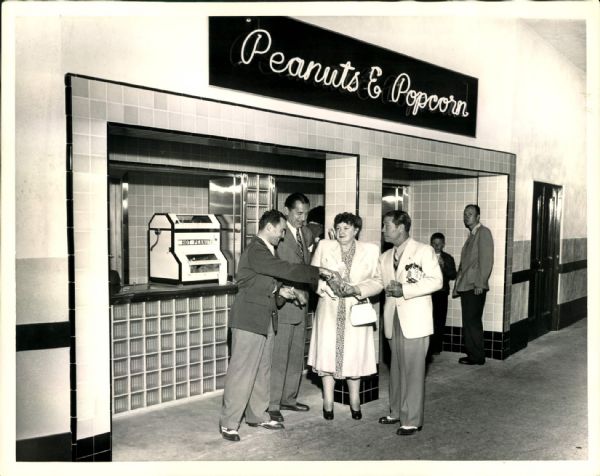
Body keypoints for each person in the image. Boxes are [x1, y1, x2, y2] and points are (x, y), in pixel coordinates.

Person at [219, 210, 338, 442]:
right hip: (248, 320)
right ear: (270, 227)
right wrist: (319, 271)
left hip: (265, 319)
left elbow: (259, 281)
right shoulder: (257, 249)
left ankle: (257, 415)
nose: (283, 236)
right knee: (241, 372)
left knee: (262, 371)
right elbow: (284, 269)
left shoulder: (265, 250)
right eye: (282, 230)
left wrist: (280, 290)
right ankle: (229, 422)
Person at [308, 212, 383, 420]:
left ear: (356, 230)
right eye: (339, 228)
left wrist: (357, 289)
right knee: (327, 356)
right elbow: (312, 276)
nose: (341, 232)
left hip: (355, 310)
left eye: (347, 228)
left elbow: (378, 281)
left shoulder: (370, 250)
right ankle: (328, 402)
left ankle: (355, 402)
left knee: (354, 357)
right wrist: (326, 288)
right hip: (330, 308)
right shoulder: (324, 246)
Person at [376, 210, 442, 436]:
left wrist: (405, 290)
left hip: (415, 319)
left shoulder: (424, 251)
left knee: (413, 370)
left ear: (400, 227)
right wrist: (354, 289)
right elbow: (376, 283)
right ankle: (396, 411)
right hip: (392, 317)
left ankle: (412, 419)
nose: (383, 229)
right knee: (395, 368)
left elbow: (437, 281)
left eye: (386, 225)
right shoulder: (385, 257)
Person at [268, 193, 314, 423]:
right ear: (286, 210)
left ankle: (289, 398)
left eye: (305, 213)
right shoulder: (278, 234)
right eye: (298, 213)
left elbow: (306, 266)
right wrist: (283, 291)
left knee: (296, 355)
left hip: (302, 302)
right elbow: (271, 269)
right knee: (279, 356)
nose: (303, 218)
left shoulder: (306, 233)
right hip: (285, 303)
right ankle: (273, 403)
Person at [452, 204, 494, 366]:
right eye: (465, 214)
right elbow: (465, 264)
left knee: (472, 321)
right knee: (469, 321)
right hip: (467, 285)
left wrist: (480, 283)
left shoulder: (483, 233)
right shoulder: (472, 234)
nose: (466, 216)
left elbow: (486, 260)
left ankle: (476, 356)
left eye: (470, 214)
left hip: (474, 285)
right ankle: (473, 353)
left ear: (478, 217)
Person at [426, 232, 457, 361]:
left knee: (439, 320)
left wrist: (444, 266)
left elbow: (453, 275)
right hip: (428, 292)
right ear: (431, 244)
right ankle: (427, 347)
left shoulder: (448, 258)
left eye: (439, 244)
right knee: (428, 319)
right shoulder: (426, 256)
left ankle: (437, 347)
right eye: (434, 244)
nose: (436, 246)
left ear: (443, 244)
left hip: (442, 292)